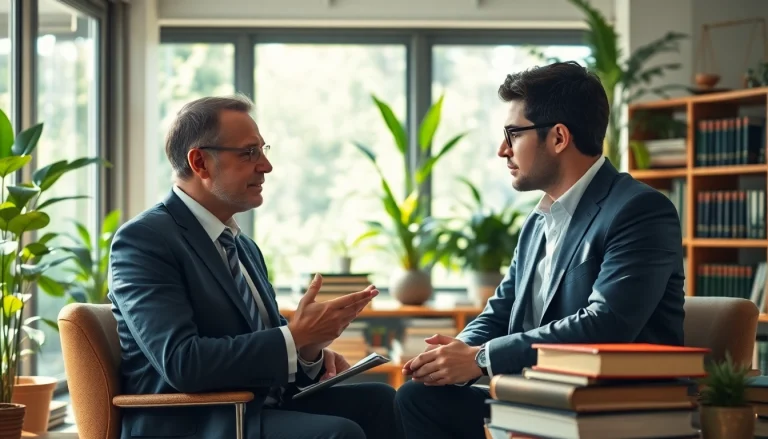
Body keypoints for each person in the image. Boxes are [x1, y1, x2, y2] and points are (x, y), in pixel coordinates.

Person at [394, 61, 686, 438]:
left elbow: (606, 323)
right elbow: (501, 311)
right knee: (417, 396)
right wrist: (454, 354)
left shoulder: (639, 210)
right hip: (537, 392)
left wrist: (481, 359)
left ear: (559, 137)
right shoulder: (538, 220)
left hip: (605, 403)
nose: (503, 150)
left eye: (513, 134)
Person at [108, 95, 398, 439]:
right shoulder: (144, 240)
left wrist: (308, 351)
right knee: (338, 433)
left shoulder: (242, 246)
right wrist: (296, 336)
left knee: (383, 399)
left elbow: (272, 350)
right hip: (197, 423)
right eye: (249, 153)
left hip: (254, 408)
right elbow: (183, 363)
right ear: (200, 162)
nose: (266, 166)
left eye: (263, 150)